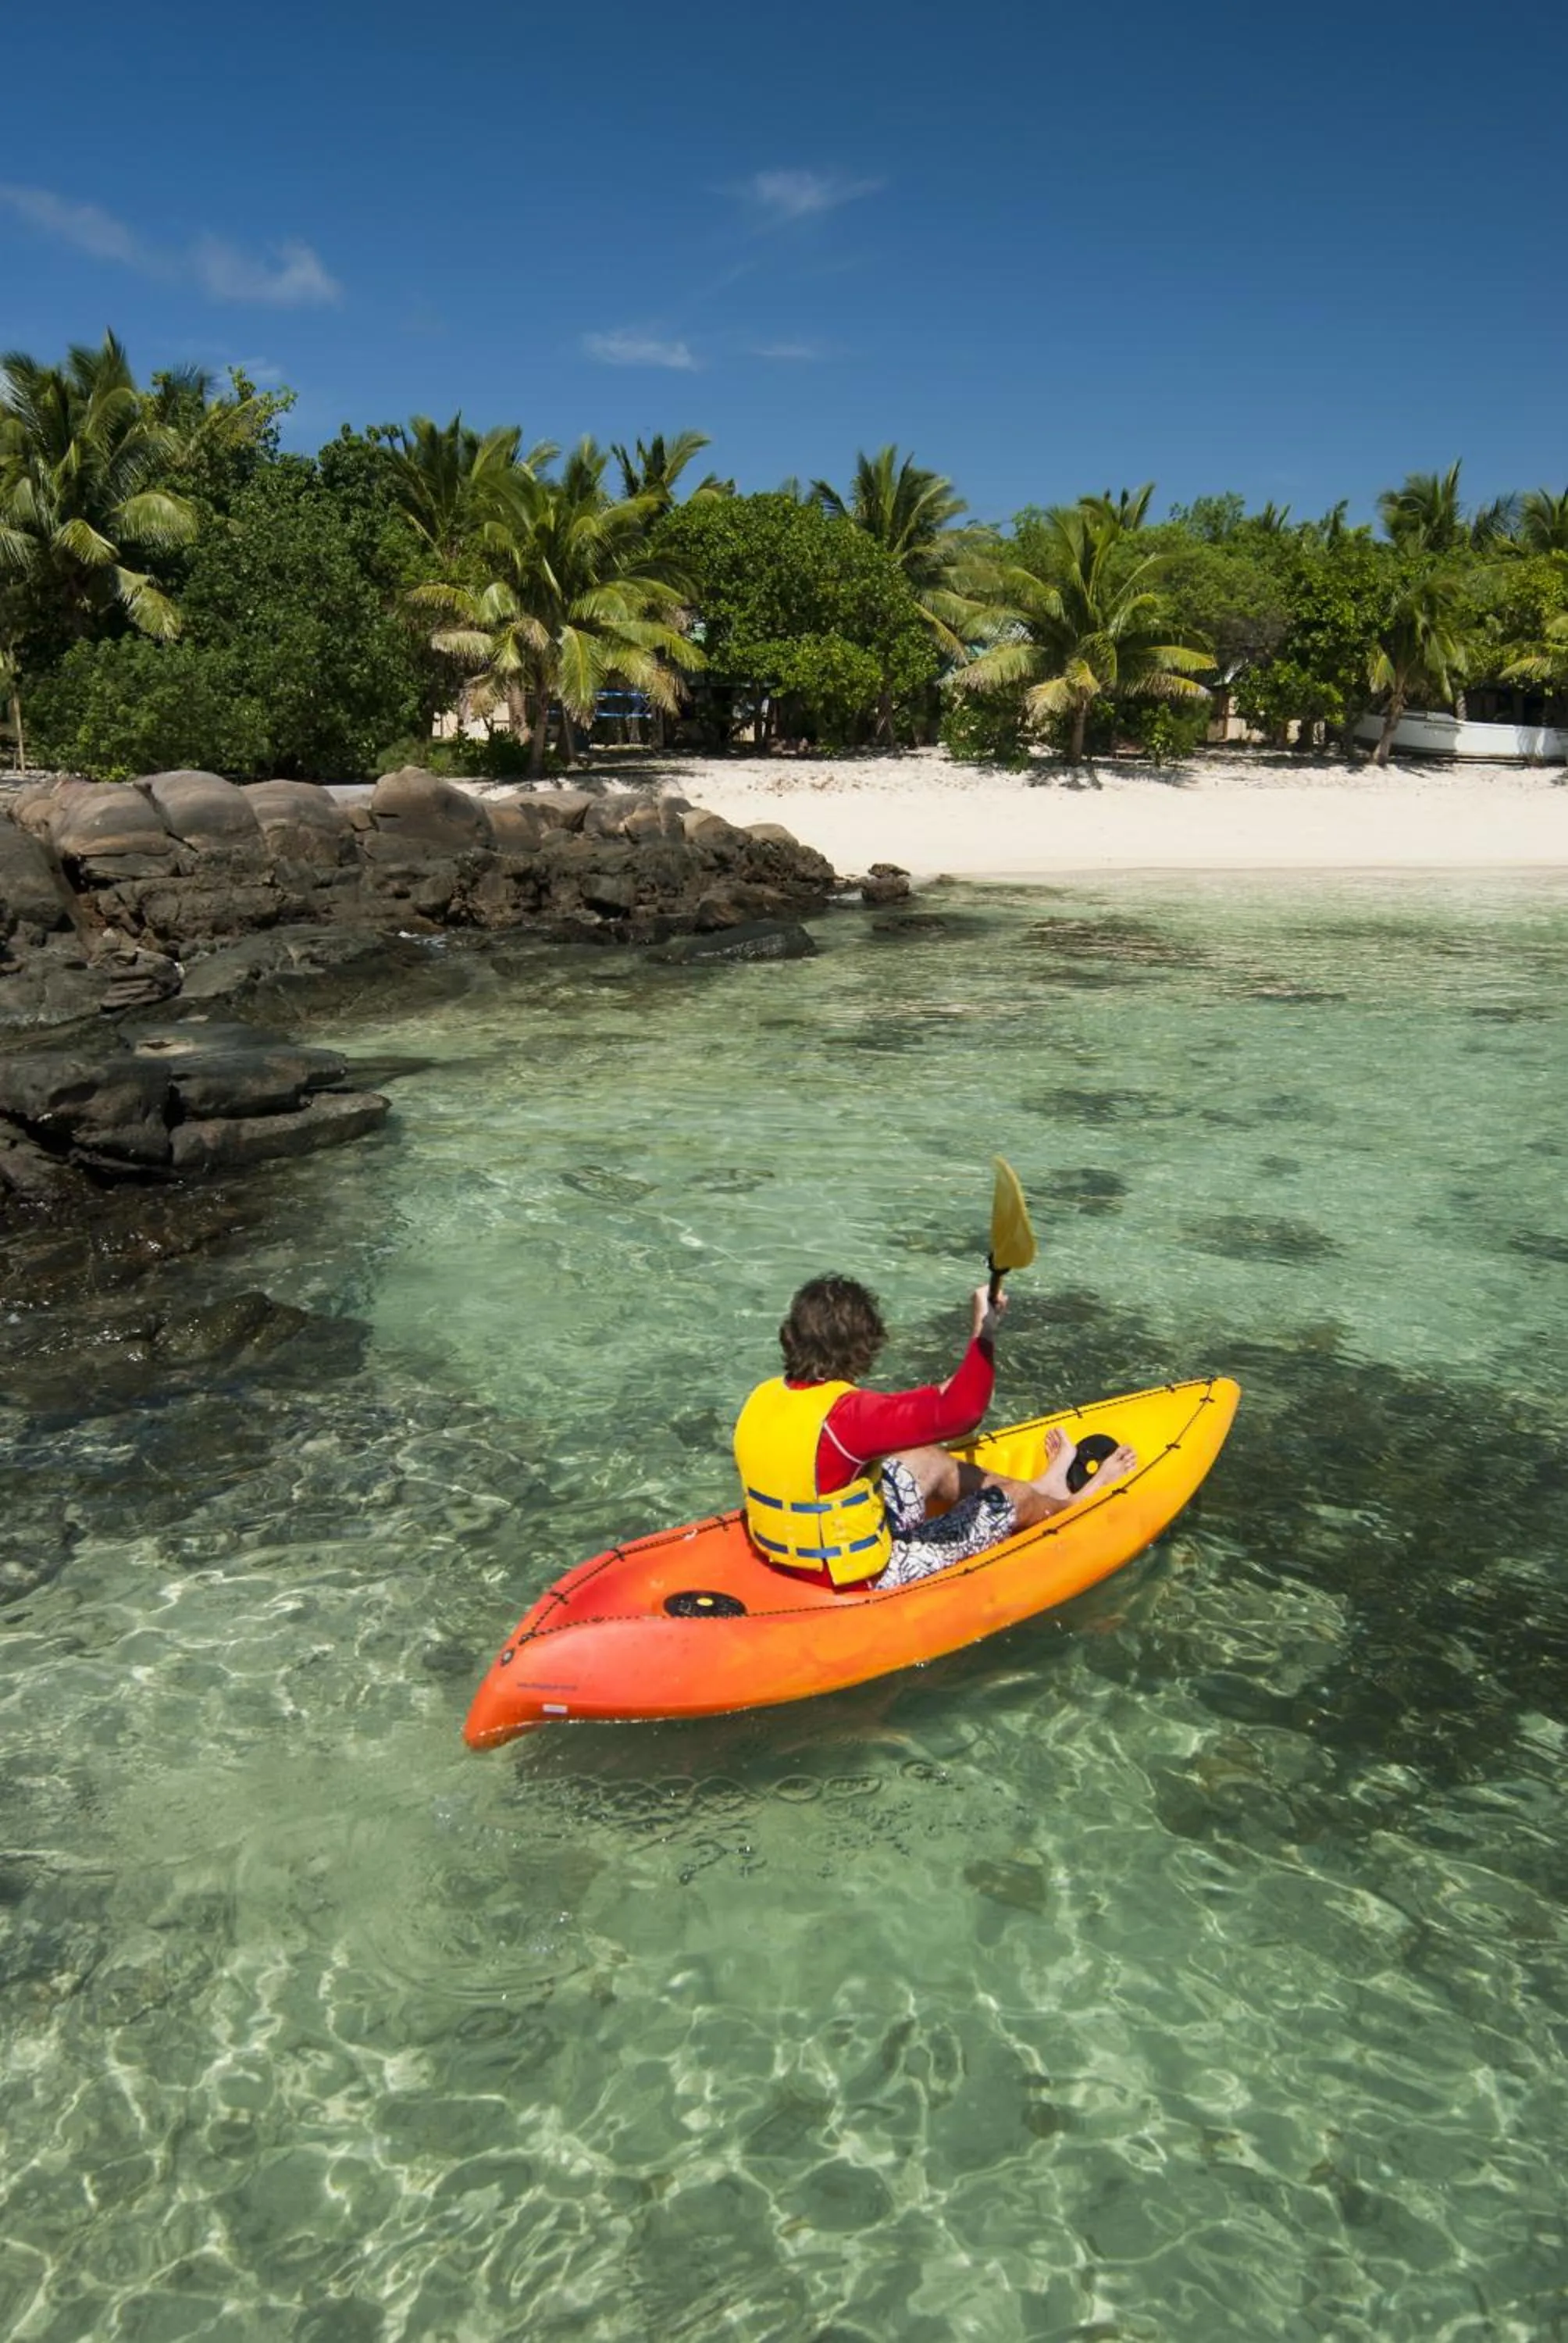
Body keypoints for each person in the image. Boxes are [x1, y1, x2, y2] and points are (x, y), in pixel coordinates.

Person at [732, 1273, 1137, 1592]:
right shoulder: (849, 1418)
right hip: (858, 1577)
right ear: (863, 1348)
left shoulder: (765, 1396)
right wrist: (984, 1332)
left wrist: (961, 1372)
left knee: (925, 1458)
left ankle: (1044, 1485)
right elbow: (963, 1413)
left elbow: (931, 1406)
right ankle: (1075, 1503)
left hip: (792, 1552)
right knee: (1010, 1501)